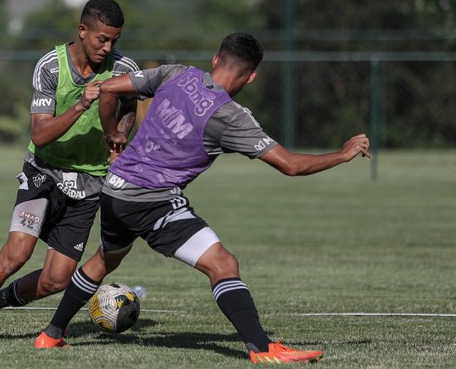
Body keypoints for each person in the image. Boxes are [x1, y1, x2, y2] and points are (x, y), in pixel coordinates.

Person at [33, 32, 371, 363]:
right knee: (223, 264)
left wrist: (113, 134)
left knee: (104, 259)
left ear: (215, 59)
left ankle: (51, 334)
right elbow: (292, 165)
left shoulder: (177, 73)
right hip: (151, 199)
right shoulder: (231, 116)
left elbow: (106, 88)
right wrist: (341, 155)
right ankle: (262, 348)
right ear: (251, 76)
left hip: (115, 189)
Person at [0, 0, 139, 345]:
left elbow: (130, 106)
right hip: (44, 172)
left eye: (114, 41)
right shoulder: (51, 66)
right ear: (82, 30)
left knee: (57, 280)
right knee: (16, 253)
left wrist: (120, 134)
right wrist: (82, 104)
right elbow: (40, 134)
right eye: (101, 39)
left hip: (89, 183)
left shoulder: (124, 70)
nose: (108, 48)